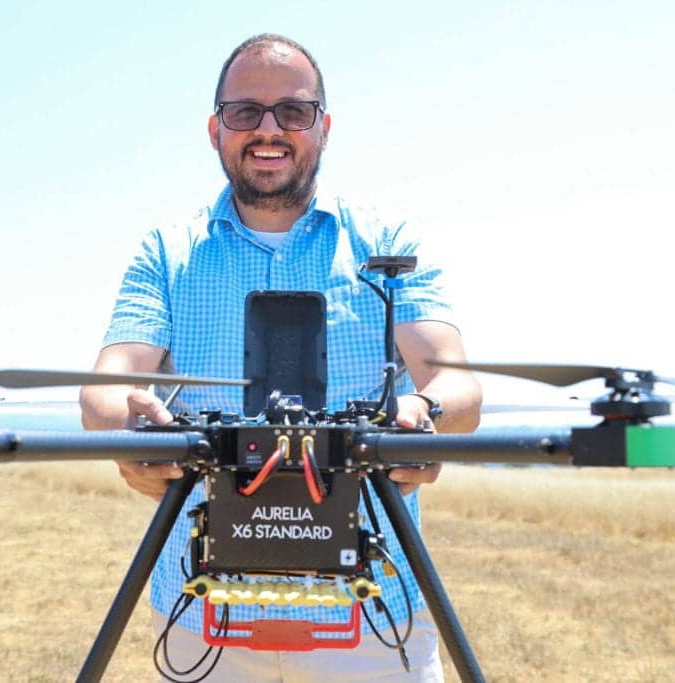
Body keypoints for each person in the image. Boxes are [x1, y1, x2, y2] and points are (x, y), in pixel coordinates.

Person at [80, 33, 482, 682]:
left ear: (324, 126)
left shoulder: (387, 243)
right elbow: (106, 384)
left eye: (292, 111)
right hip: (203, 614)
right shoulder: (167, 252)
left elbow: (455, 380)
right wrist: (128, 423)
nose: (269, 129)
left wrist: (420, 410)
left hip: (376, 621)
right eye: (246, 112)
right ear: (215, 130)